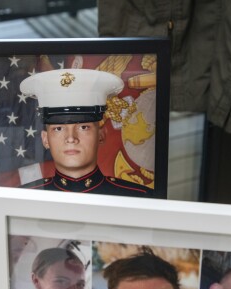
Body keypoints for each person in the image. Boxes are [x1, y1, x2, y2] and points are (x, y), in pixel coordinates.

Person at [19, 68, 152, 196]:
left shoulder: (138, 198)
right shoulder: (23, 199)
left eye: (83, 127)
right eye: (58, 128)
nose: (71, 138)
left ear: (101, 136)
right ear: (45, 139)